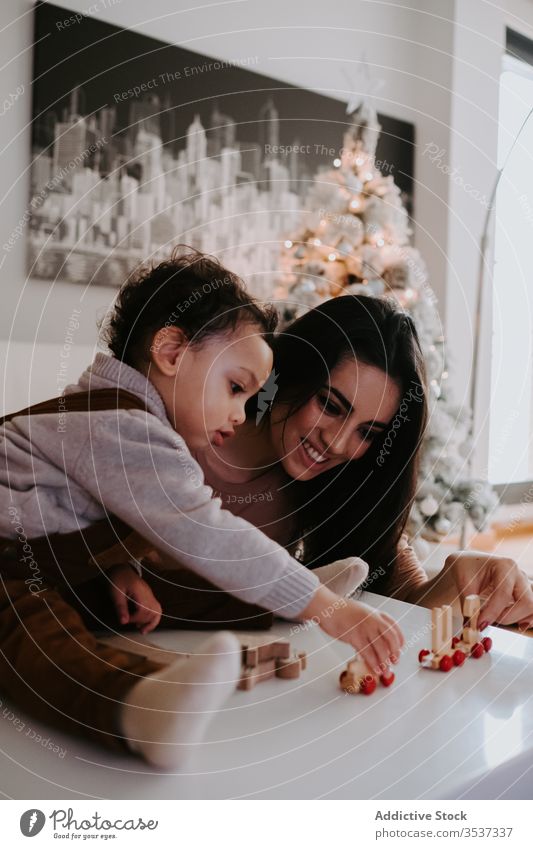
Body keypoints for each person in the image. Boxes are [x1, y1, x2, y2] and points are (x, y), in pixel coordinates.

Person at [0, 249, 403, 769]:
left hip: (45, 561)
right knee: (29, 629)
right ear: (171, 352)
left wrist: (121, 567)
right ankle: (129, 704)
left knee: (171, 582)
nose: (240, 413)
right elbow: (207, 533)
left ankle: (276, 598)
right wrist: (324, 606)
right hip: (11, 572)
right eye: (236, 388)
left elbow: (63, 506)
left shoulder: (126, 420)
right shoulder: (125, 427)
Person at [126, 293, 533, 630]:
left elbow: (406, 604)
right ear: (290, 373)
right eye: (330, 405)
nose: (337, 443)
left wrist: (460, 577)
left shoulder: (339, 486)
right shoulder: (176, 435)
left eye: (368, 433)